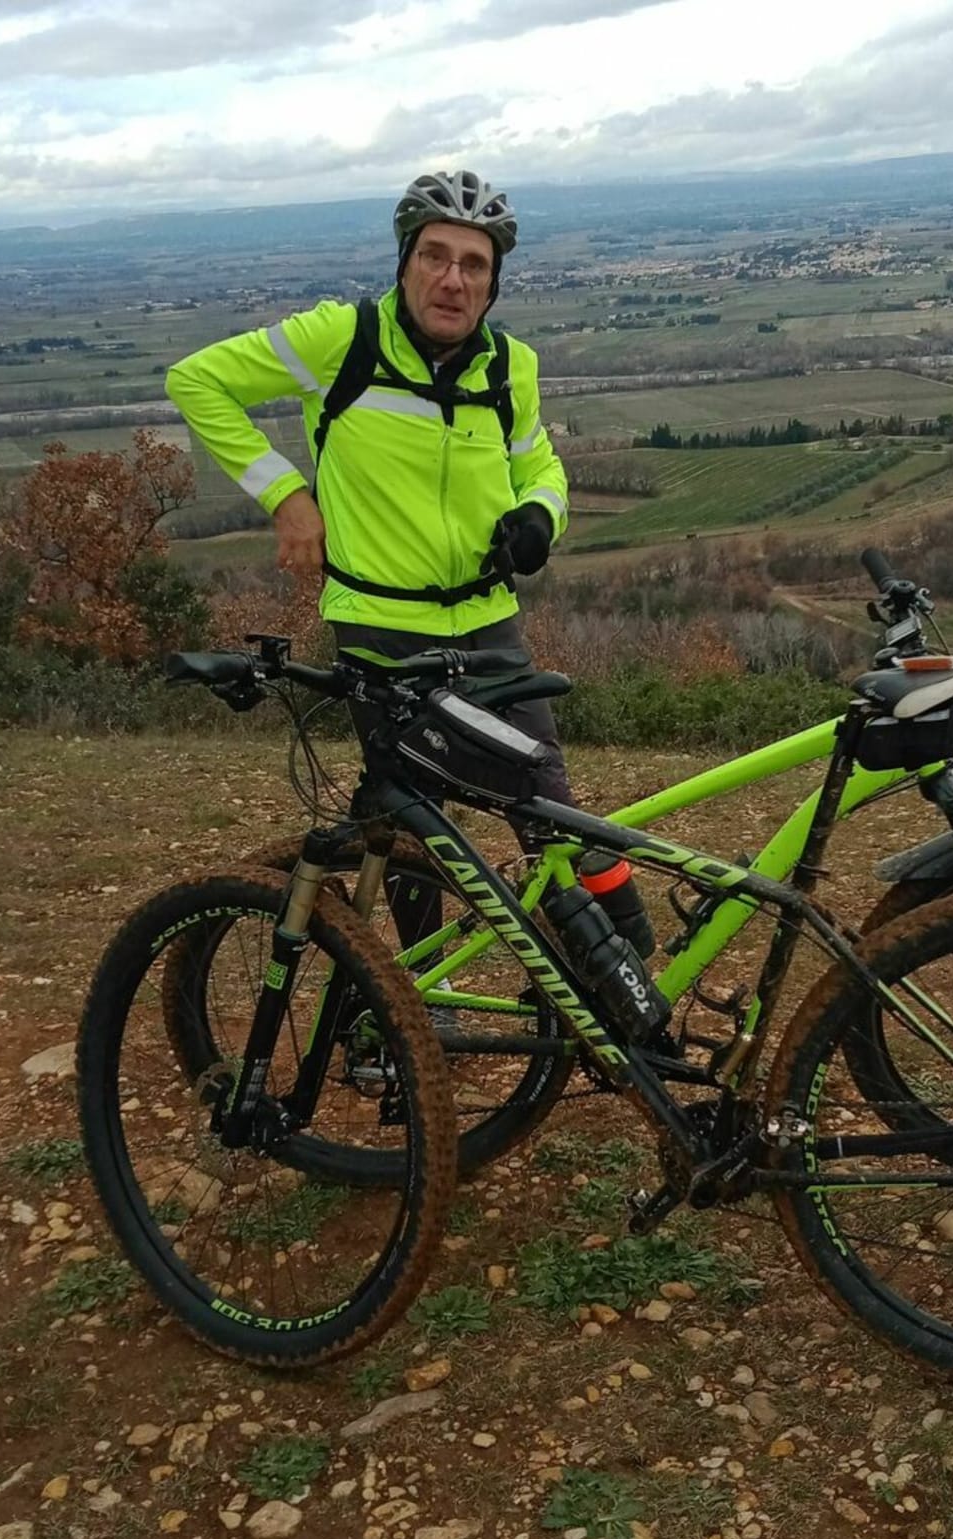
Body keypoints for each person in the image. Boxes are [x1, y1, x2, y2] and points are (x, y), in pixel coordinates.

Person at [166, 168, 651, 954]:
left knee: (544, 798)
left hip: (488, 622)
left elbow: (541, 466)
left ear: (493, 284)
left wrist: (541, 516)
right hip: (380, 626)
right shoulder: (344, 340)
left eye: (474, 264)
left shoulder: (509, 367)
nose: (452, 280)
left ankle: (613, 965)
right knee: (409, 820)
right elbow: (197, 382)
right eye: (435, 256)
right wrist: (287, 496)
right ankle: (422, 993)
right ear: (404, 261)